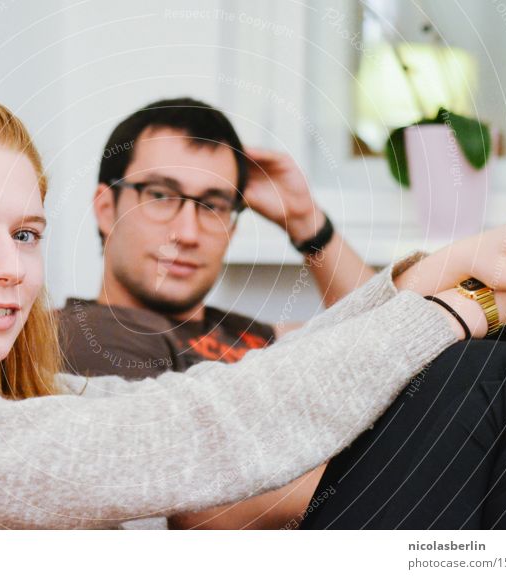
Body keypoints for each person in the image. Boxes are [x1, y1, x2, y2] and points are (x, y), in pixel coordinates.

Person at [0, 93, 506, 530]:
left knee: (481, 368)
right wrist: (454, 311)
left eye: (25, 233)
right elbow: (189, 436)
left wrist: (446, 276)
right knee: (479, 376)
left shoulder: (21, 398)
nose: (8, 267)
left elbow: (260, 376)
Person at [59, 97, 376, 528]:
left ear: (232, 225)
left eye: (213, 204)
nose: (187, 233)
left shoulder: (255, 334)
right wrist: (391, 464)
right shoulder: (86, 333)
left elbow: (388, 338)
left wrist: (305, 221)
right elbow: (189, 507)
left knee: (485, 365)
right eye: (160, 195)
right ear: (105, 208)